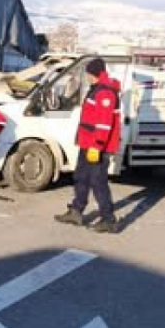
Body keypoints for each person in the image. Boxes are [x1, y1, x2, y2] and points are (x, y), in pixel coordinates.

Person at [55, 57, 122, 233]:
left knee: (98, 181)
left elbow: (104, 124)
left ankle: (109, 219)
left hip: (97, 146)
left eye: (90, 74)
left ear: (98, 74)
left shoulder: (105, 93)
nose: (89, 77)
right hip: (88, 144)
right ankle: (76, 211)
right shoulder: (96, 89)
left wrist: (97, 145)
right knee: (81, 177)